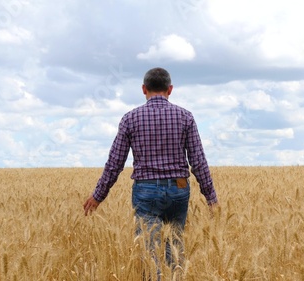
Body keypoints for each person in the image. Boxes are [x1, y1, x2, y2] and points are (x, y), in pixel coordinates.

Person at [83, 67, 218, 276]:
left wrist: (98, 196)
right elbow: (198, 162)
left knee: (149, 253)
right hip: (179, 188)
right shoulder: (186, 117)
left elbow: (115, 163)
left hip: (146, 191)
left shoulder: (130, 119)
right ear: (170, 89)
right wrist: (211, 198)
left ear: (143, 89)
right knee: (174, 249)